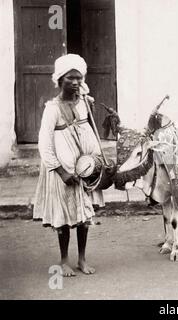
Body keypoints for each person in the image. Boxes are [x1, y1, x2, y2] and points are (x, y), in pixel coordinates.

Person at [33, 54, 105, 276]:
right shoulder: (52, 109)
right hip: (62, 172)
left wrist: (95, 161)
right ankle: (64, 260)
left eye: (79, 78)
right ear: (59, 80)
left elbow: (89, 130)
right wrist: (61, 171)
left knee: (84, 217)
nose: (75, 82)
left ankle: (82, 259)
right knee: (63, 218)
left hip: (84, 169)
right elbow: (44, 144)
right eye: (70, 78)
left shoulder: (84, 103)